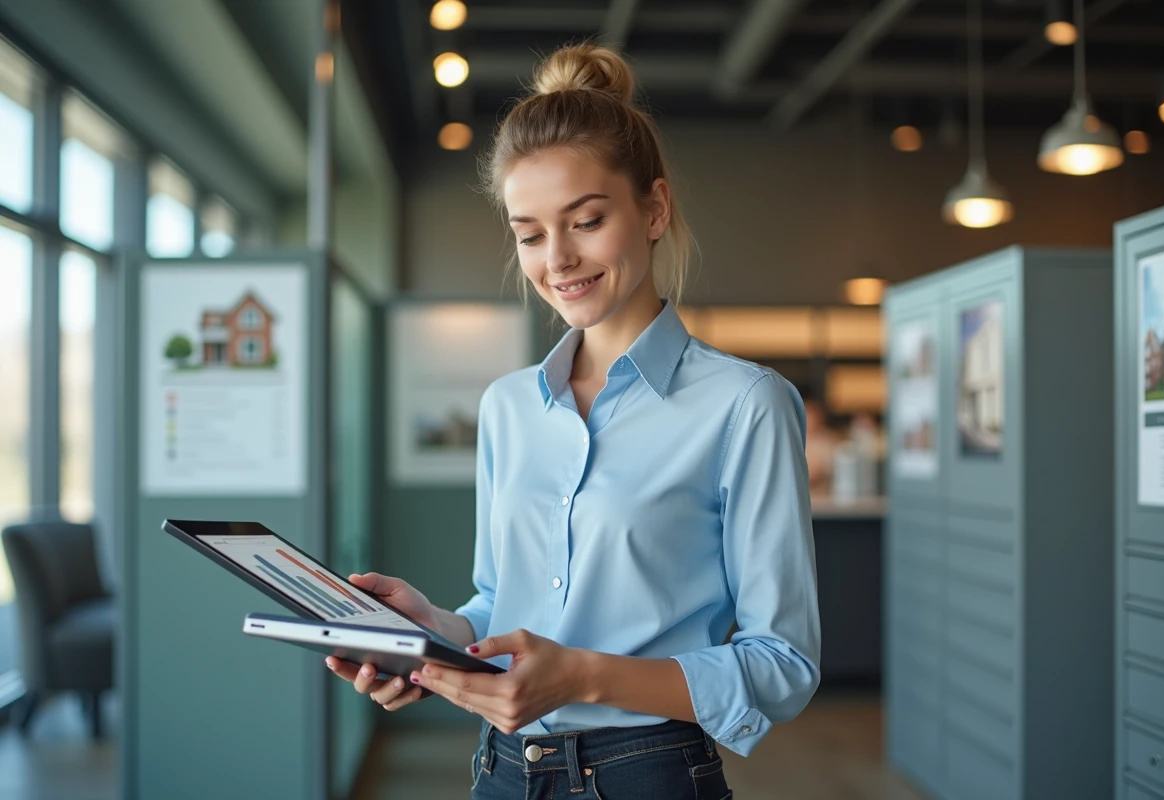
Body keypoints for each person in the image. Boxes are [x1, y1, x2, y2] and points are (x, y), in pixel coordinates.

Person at [328, 42, 820, 799]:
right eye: (529, 234)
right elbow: (499, 602)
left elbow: (783, 665)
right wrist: (433, 633)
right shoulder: (508, 406)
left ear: (653, 209)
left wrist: (582, 676)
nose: (557, 259)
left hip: (648, 775)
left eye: (585, 221)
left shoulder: (744, 404)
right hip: (501, 772)